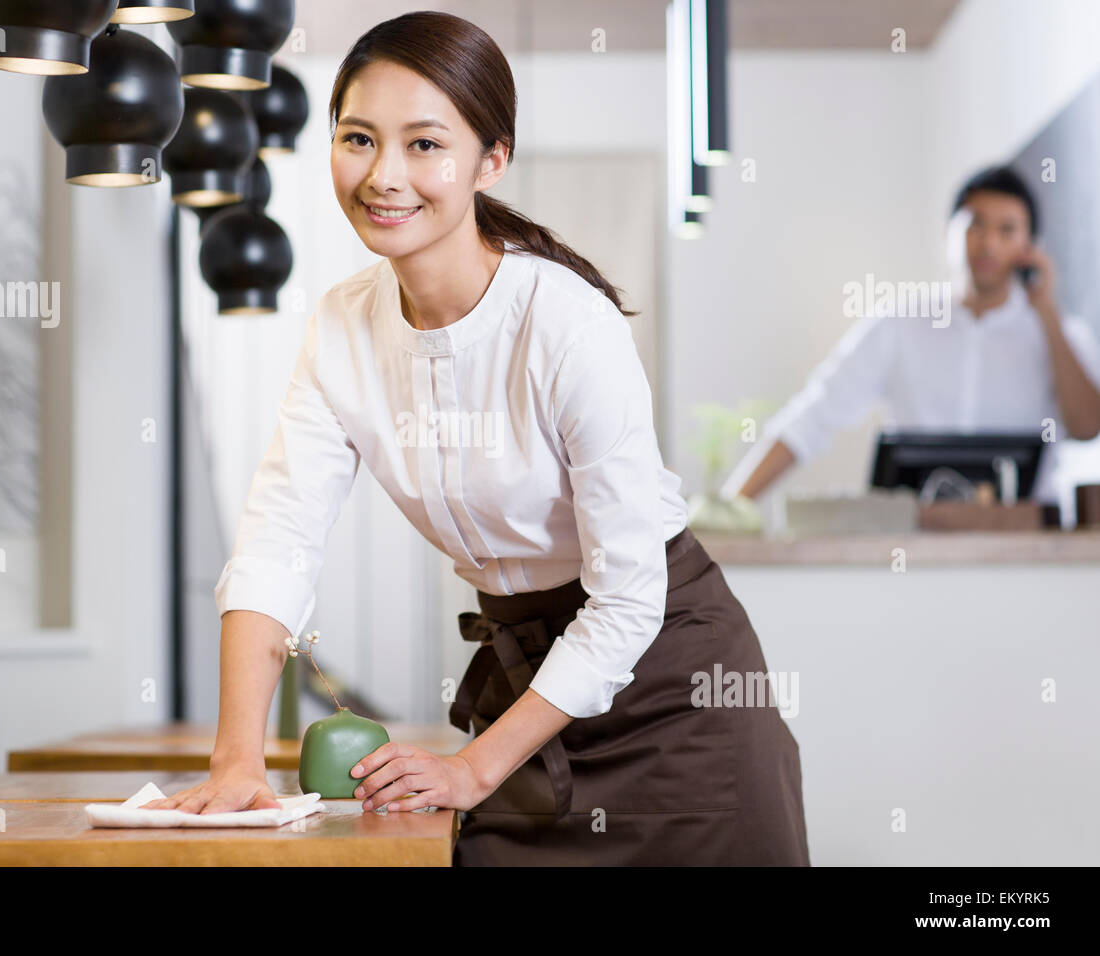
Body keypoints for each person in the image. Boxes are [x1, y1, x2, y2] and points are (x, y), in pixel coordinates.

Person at [143, 11, 810, 866]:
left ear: (491, 159)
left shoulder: (568, 323)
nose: (384, 176)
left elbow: (629, 599)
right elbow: (278, 541)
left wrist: (472, 768)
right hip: (528, 680)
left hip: (674, 692)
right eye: (358, 139)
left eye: (425, 144)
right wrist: (237, 760)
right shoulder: (343, 328)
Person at [723, 165, 1100, 505]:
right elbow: (813, 416)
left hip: (1028, 552)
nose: (989, 243)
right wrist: (730, 507)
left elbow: (1087, 428)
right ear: (947, 233)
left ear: (1029, 248)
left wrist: (1047, 314)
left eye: (1007, 230)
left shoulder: (1059, 333)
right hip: (915, 551)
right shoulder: (898, 323)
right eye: (976, 225)